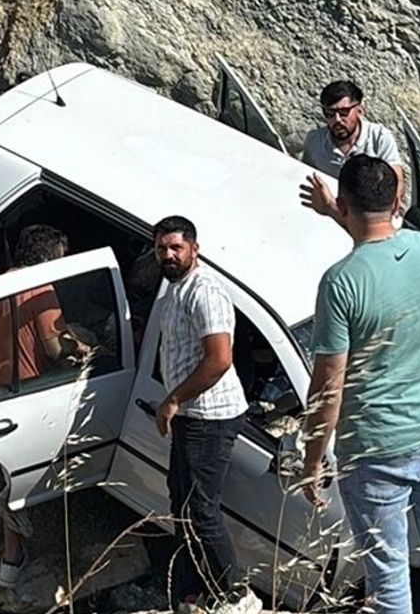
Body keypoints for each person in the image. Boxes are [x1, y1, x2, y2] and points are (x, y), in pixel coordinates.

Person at [298, 155, 420, 614]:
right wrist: (339, 212)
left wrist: (312, 458)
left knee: (389, 571)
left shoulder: (339, 284)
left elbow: (328, 386)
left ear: (344, 203)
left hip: (377, 451)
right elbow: (381, 248)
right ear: (397, 200)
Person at [151, 216, 260, 613]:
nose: (168, 255)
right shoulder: (176, 287)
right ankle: (194, 589)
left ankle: (237, 594)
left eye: (176, 247)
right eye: (162, 248)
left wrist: (173, 400)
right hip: (191, 415)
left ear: (194, 248)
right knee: (181, 504)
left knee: (201, 508)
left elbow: (218, 360)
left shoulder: (205, 291)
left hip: (209, 416)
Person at [0, 224, 87, 589]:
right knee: (20, 478)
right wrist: (81, 348)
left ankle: (13, 553)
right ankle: (9, 564)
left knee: (10, 468)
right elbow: (54, 349)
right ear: (50, 259)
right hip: (23, 392)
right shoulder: (41, 291)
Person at [301, 80, 406, 221]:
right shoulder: (314, 142)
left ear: (360, 111)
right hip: (327, 219)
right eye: (329, 113)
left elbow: (396, 179)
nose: (337, 119)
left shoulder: (379, 138)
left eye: (343, 112)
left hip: (372, 217)